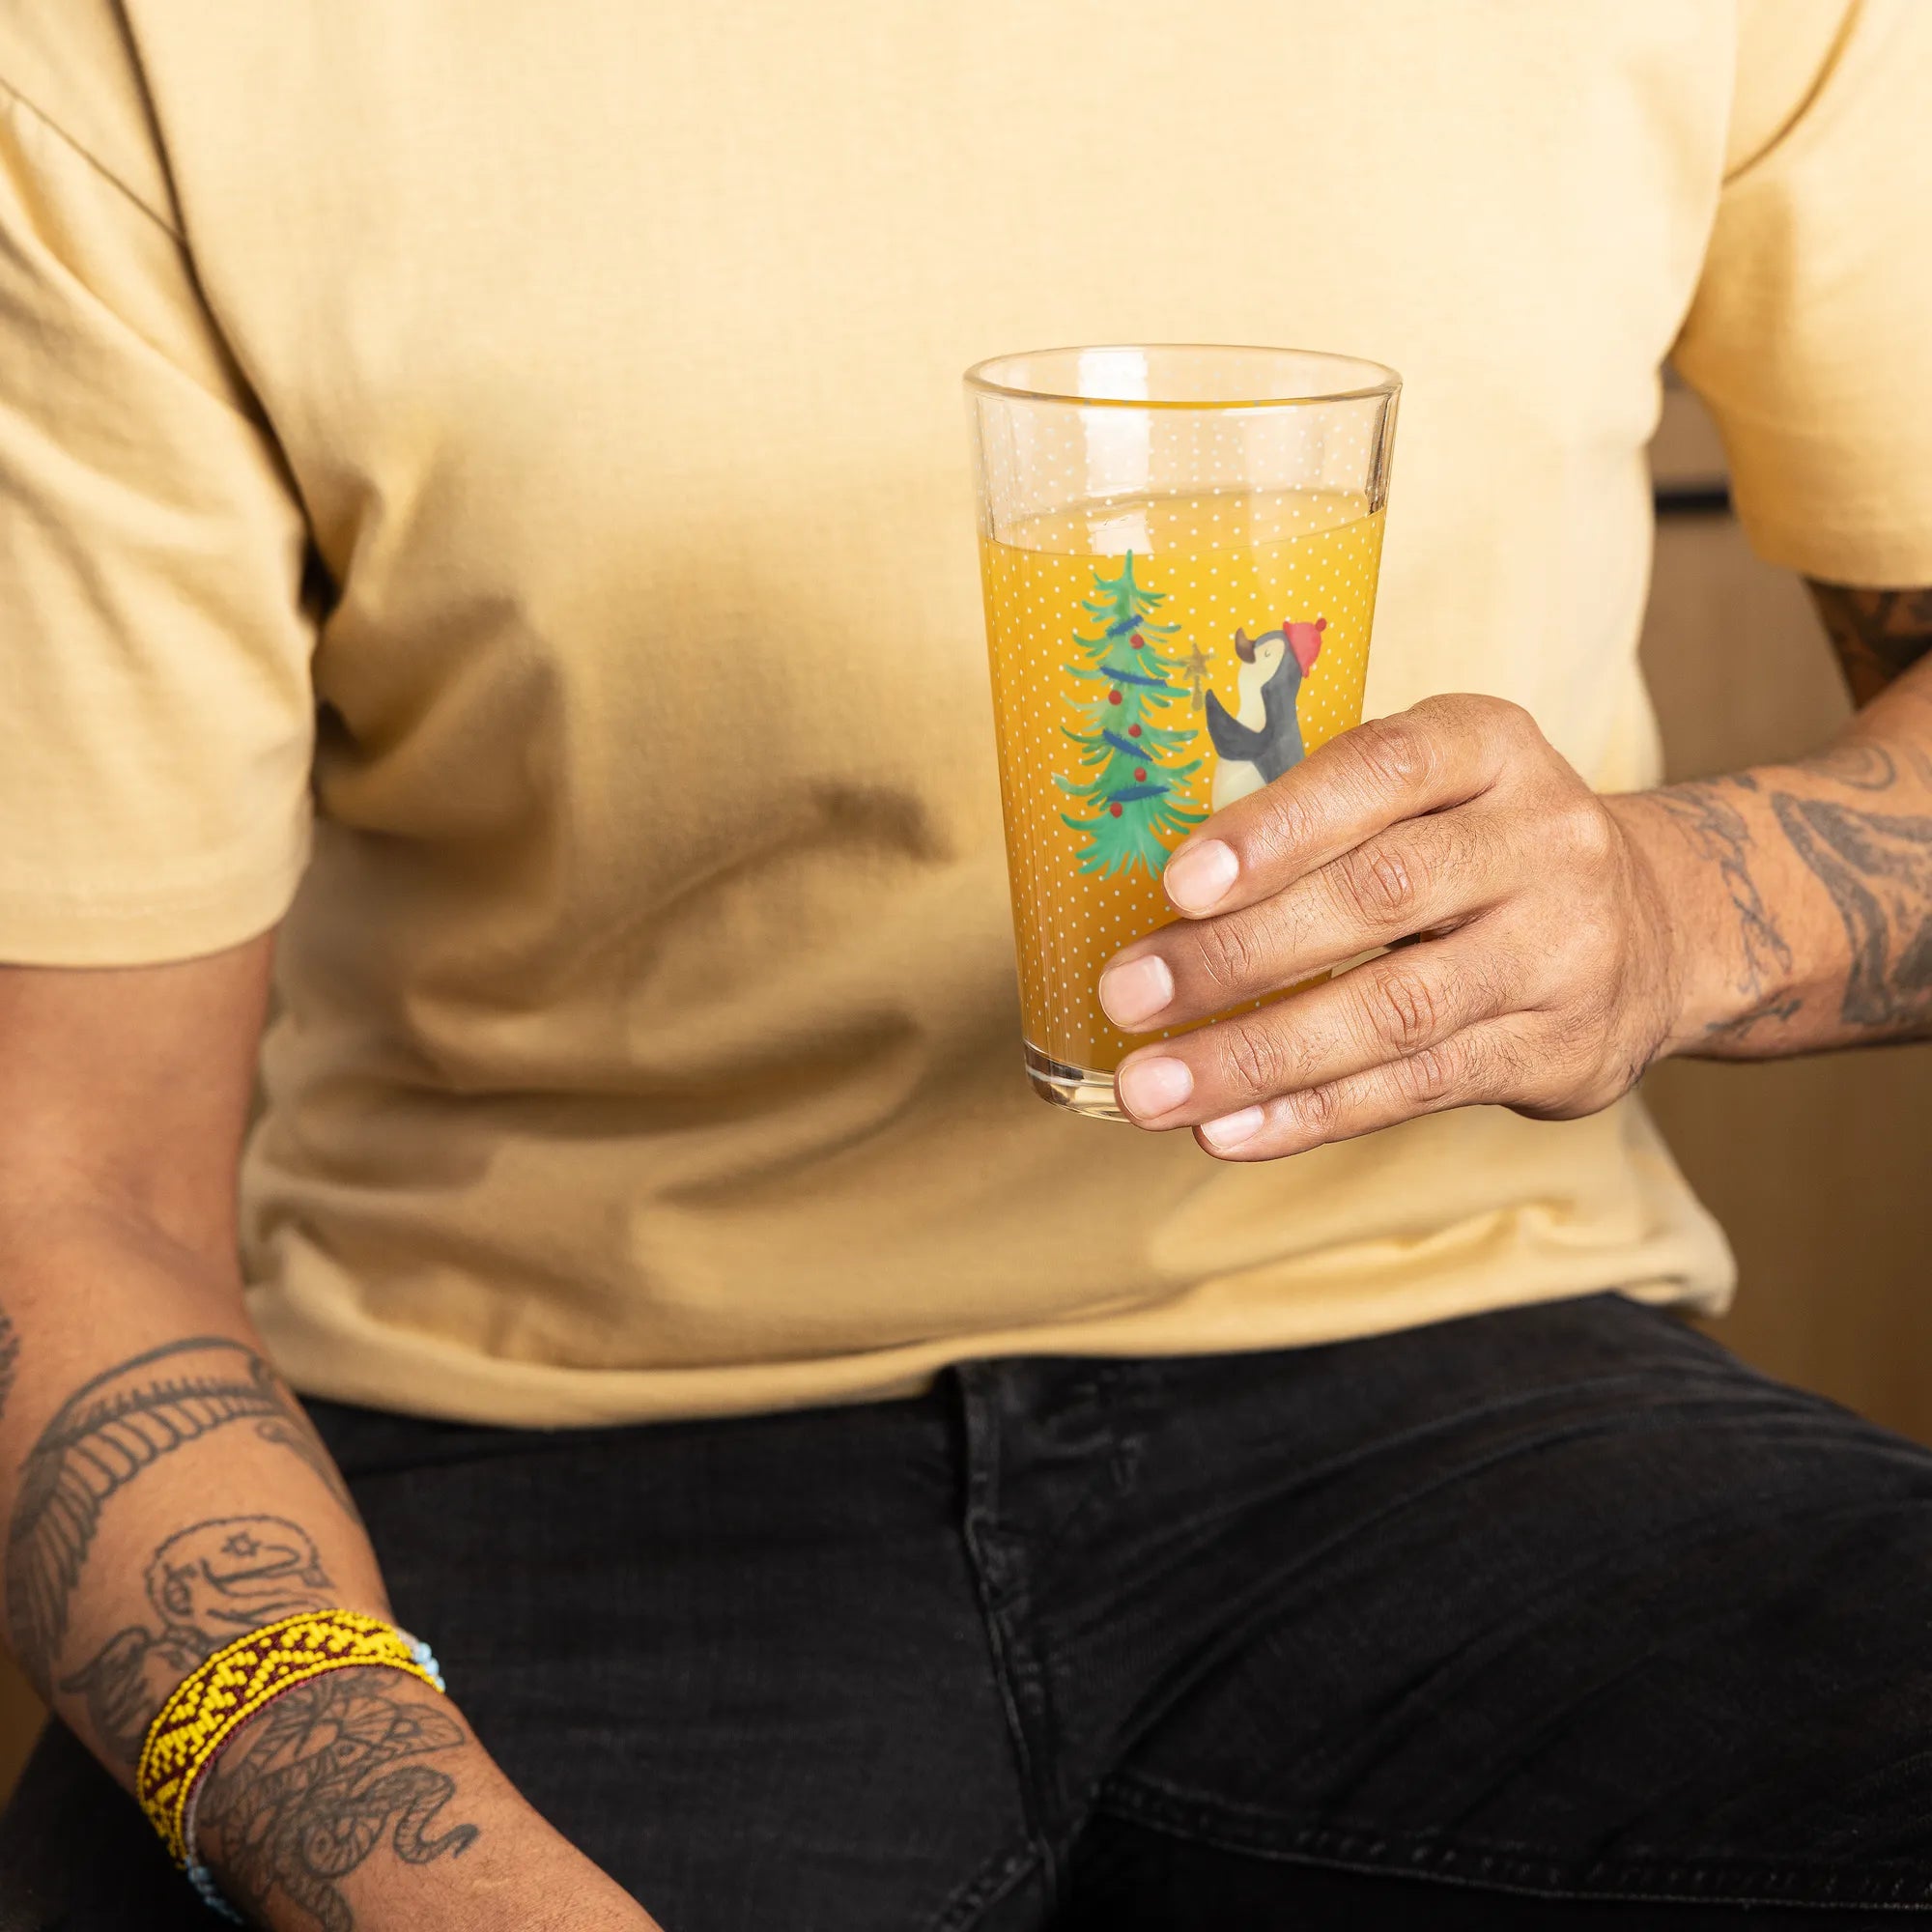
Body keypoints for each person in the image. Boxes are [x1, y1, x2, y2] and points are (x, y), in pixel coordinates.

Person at [0, 2, 1929, 1927]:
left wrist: (1672, 905)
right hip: (516, 1436)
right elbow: (66, 1181)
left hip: (1469, 1359)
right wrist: (408, 1858)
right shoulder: (145, 47)